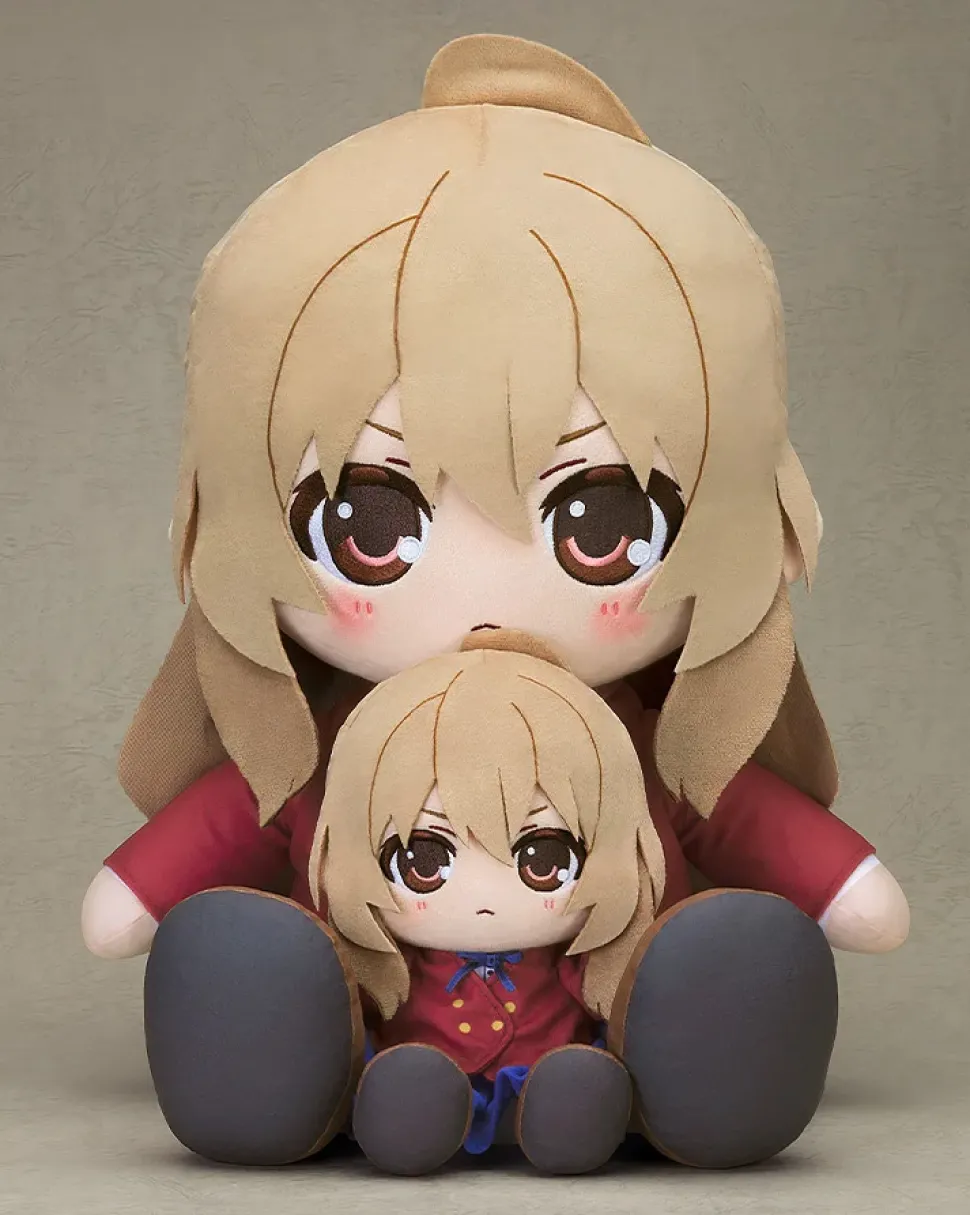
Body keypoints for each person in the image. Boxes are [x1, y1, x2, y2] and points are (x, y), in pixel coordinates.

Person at [81, 33, 909, 1170]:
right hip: (381, 1031)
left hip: (595, 1023)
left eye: (601, 522)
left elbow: (743, 817)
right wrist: (149, 895)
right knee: (257, 963)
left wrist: (834, 887)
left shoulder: (655, 753)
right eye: (370, 526)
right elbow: (238, 815)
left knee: (713, 962)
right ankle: (297, 1055)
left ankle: (680, 1062)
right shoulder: (313, 756)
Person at [313, 629, 667, 1174]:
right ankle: (412, 1113)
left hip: (545, 1073)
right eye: (422, 861)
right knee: (409, 1084)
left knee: (575, 1083)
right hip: (423, 1071)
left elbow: (612, 994)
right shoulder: (389, 963)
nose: (482, 898)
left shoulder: (575, 958)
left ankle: (568, 1113)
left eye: (542, 859)